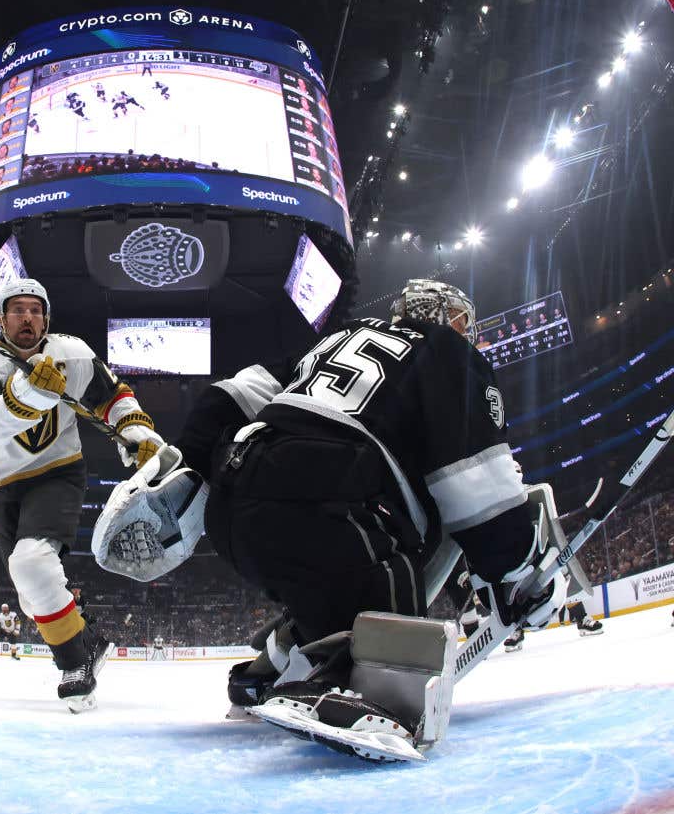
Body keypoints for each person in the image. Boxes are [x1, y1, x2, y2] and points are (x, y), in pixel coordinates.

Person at [170, 278, 565, 757]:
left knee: (331, 586)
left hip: (234, 500)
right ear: (444, 318)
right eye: (462, 321)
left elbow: (231, 394)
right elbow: (475, 483)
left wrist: (185, 464)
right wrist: (518, 567)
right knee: (393, 595)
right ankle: (357, 690)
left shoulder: (340, 336)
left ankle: (263, 676)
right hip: (324, 496)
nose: (468, 332)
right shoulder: (448, 354)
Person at [0, 278, 169, 711]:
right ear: (0, 319)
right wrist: (29, 392)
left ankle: (76, 661)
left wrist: (135, 430)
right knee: (29, 595)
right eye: (17, 310)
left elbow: (113, 396)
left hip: (58, 474)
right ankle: (85, 634)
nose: (27, 318)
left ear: (46, 318)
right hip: (6, 486)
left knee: (32, 563)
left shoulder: (72, 354)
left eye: (35, 310)